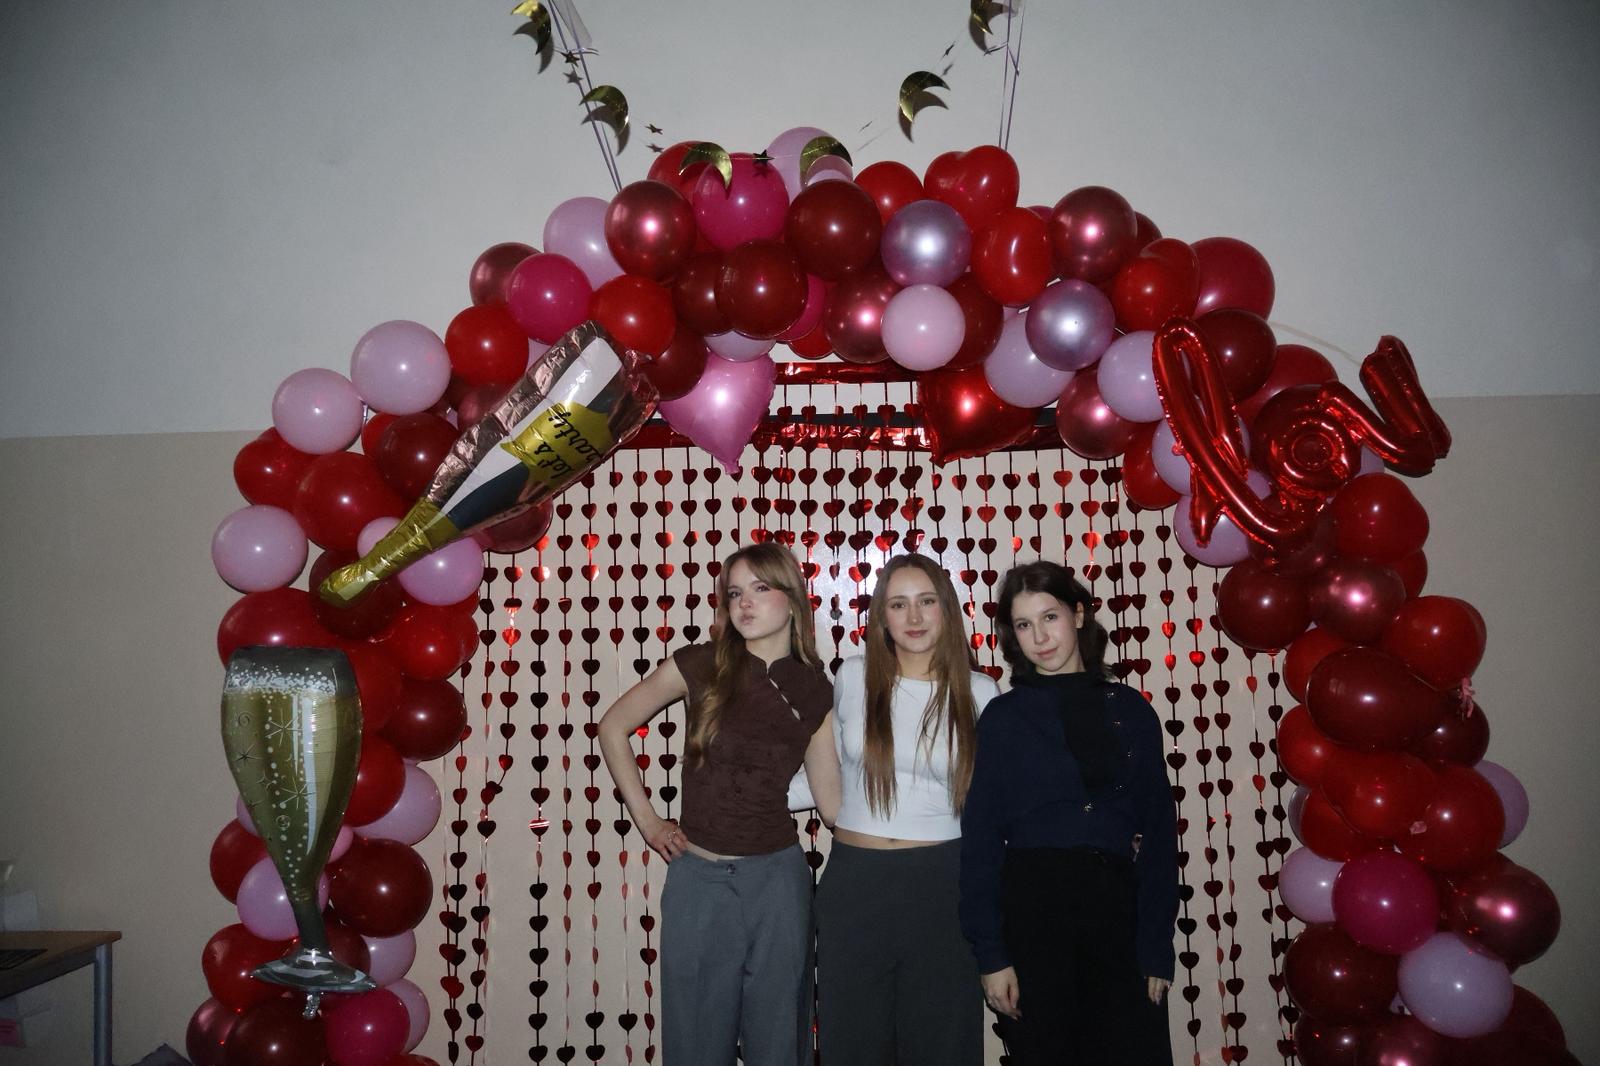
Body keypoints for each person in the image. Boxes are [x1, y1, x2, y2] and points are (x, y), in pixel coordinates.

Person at [597, 542, 841, 1066]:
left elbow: (832, 804)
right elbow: (612, 726)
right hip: (699, 881)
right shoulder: (700, 664)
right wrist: (649, 823)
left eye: (760, 588)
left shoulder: (815, 688)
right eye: (734, 593)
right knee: (696, 1042)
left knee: (779, 1040)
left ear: (792, 599)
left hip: (778, 884)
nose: (745, 603)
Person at [959, 560, 1178, 1065]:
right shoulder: (1003, 718)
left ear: (1078, 614)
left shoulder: (1131, 709)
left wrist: (1156, 945)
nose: (1040, 637)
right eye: (1023, 624)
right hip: (1034, 914)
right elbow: (981, 840)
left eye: (1050, 617)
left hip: (1117, 914)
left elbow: (1160, 834)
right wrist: (991, 955)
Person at [816, 553, 999, 1065]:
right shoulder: (853, 677)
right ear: (881, 616)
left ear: (947, 610)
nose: (914, 617)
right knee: (852, 1044)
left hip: (942, 882)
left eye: (926, 602)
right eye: (899, 604)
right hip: (855, 883)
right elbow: (823, 767)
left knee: (942, 1043)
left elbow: (998, 799)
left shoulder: (981, 691)